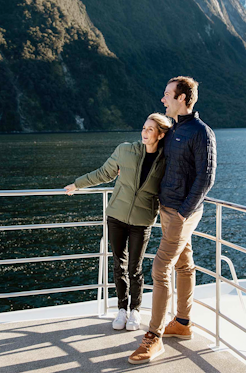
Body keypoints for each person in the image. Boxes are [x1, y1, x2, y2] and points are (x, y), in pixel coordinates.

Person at [128, 77, 217, 364]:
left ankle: (154, 336)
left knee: (160, 266)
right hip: (166, 208)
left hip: (181, 212)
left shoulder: (201, 133)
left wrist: (183, 211)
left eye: (167, 95)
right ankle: (182, 322)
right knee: (184, 264)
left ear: (182, 98)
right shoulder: (175, 128)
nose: (163, 99)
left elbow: (206, 177)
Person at [64, 113, 172, 331]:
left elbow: (170, 187)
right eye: (143, 128)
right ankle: (122, 309)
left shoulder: (166, 159)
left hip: (142, 221)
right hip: (116, 216)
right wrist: (77, 185)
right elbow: (104, 173)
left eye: (150, 129)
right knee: (118, 264)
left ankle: (135, 311)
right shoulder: (125, 150)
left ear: (160, 134)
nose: (144, 132)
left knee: (135, 267)